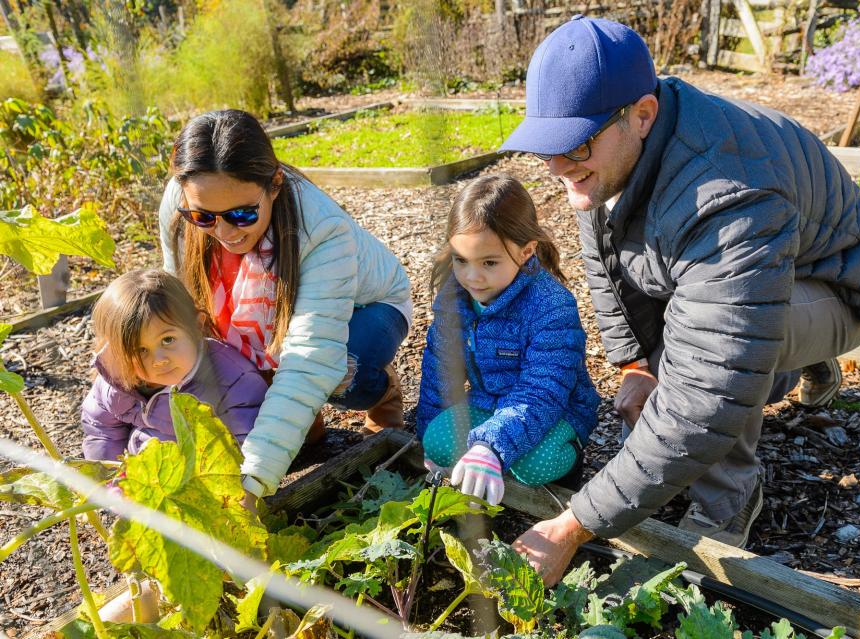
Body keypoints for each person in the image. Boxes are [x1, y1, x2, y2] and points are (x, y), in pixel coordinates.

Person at [500, 16, 860, 584]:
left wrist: (572, 526)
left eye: (575, 144)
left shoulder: (726, 195)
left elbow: (707, 387)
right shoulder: (614, 152)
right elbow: (606, 258)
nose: (557, 166)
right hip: (769, 273)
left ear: (641, 115)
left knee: (706, 355)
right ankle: (792, 351)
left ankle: (731, 497)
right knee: (686, 346)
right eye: (545, 148)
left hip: (846, 284)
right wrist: (635, 365)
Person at [157, 109, 412, 501]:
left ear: (274, 185)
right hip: (287, 317)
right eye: (204, 216)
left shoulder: (322, 229)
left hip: (372, 306)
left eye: (242, 214)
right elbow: (184, 309)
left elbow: (311, 357)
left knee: (341, 373)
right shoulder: (179, 204)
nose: (224, 233)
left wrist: (254, 481)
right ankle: (304, 424)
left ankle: (381, 394)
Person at [417, 174, 600, 505]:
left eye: (489, 262)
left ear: (527, 251)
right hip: (488, 403)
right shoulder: (454, 299)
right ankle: (493, 459)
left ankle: (570, 465)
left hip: (555, 410)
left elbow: (544, 389)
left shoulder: (551, 305)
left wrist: (490, 445)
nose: (472, 276)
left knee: (534, 464)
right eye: (461, 260)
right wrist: (428, 442)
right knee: (438, 440)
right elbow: (440, 374)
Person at [81, 269, 267, 460]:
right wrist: (111, 481)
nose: (159, 359)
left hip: (197, 479)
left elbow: (243, 447)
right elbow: (102, 430)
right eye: (140, 350)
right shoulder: (117, 379)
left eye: (168, 340)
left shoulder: (232, 381)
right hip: (139, 475)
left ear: (196, 327)